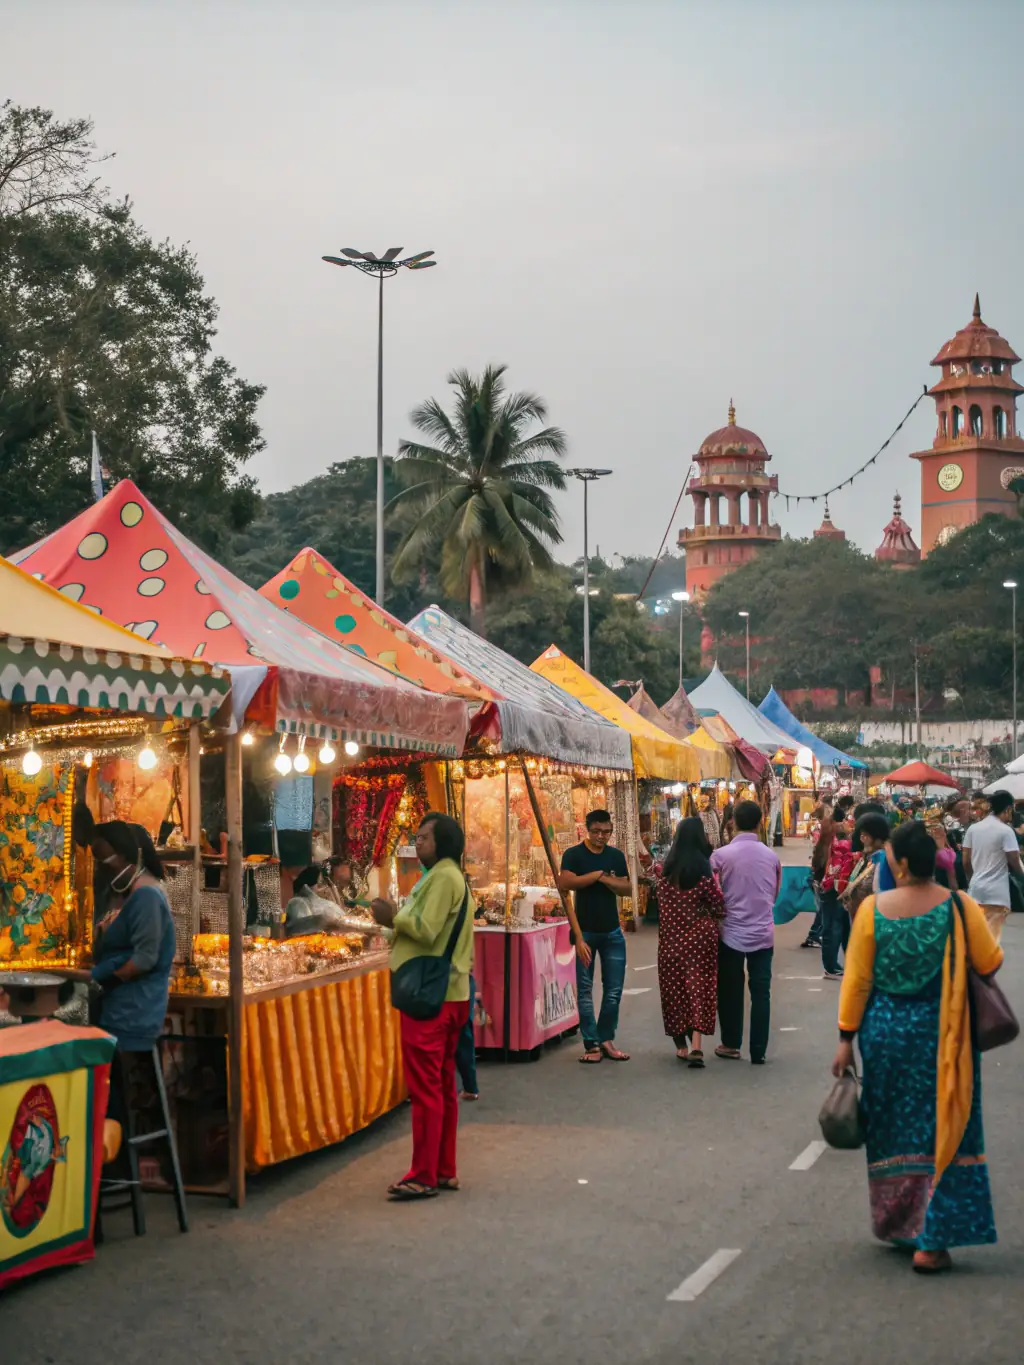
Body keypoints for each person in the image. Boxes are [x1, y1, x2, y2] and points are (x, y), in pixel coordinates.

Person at [832, 821, 1002, 1274]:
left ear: (903, 865)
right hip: (946, 1035)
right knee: (947, 1125)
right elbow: (990, 961)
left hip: (885, 1035)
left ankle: (908, 1226)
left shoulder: (871, 911)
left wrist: (846, 1039)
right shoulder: (960, 907)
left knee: (896, 1129)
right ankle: (934, 1238)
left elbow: (857, 982)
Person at [369, 812, 475, 1200]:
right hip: (451, 995)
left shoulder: (444, 877)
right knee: (443, 1087)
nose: (419, 843)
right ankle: (443, 1169)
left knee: (427, 1090)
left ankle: (424, 1174)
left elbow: (426, 930)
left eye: (425, 837)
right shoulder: (445, 877)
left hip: (432, 998)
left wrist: (391, 917)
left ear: (442, 842)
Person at [88, 821, 176, 1053]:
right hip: (119, 1012)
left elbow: (144, 959)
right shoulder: (128, 895)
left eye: (106, 857)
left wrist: (103, 982)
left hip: (132, 1016)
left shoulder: (146, 896)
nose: (102, 865)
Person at [710, 800, 781, 1065]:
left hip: (730, 933)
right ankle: (759, 1050)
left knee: (730, 990)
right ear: (761, 823)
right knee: (761, 992)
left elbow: (710, 892)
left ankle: (731, 1044)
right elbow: (773, 894)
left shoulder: (720, 856)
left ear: (733, 823)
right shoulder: (771, 857)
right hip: (763, 933)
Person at [558, 810, 632, 1064]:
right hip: (585, 933)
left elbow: (627, 888)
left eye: (606, 832)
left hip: (612, 933)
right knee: (586, 990)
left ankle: (606, 1039)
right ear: (585, 830)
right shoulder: (574, 855)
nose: (601, 836)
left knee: (613, 990)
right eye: (596, 831)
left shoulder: (615, 855)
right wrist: (599, 876)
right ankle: (591, 1044)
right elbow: (566, 883)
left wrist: (603, 879)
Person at [654, 818, 725, 1068]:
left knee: (673, 989)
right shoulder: (704, 872)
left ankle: (680, 1045)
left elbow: (661, 909)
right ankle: (696, 1044)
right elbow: (719, 906)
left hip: (671, 939)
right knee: (699, 987)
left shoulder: (665, 875)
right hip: (700, 940)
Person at [962, 788, 1023, 944]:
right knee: (991, 942)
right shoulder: (1006, 831)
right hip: (997, 894)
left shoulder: (973, 829)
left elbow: (966, 862)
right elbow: (1014, 861)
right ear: (1008, 809)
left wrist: (971, 879)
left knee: (976, 938)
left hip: (975, 890)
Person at [840, 813, 891, 920]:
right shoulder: (867, 856)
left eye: (865, 835)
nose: (862, 838)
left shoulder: (883, 860)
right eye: (862, 834)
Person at [454, 973, 479, 1102]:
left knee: (461, 1037)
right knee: (464, 1036)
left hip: (451, 984)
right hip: (462, 980)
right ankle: (470, 1087)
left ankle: (470, 1087)